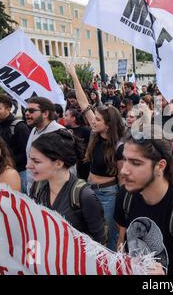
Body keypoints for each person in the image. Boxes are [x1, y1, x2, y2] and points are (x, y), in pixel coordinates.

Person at [114, 129, 173, 275]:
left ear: (160, 166)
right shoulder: (125, 196)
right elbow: (122, 238)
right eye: (125, 159)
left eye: (136, 163)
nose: (124, 170)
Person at [67, 64, 125, 251]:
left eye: (98, 120)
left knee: (107, 235)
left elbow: (123, 179)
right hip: (90, 190)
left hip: (108, 195)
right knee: (91, 233)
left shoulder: (119, 147)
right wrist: (74, 75)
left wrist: (123, 207)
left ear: (108, 125)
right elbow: (84, 104)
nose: (93, 121)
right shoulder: (96, 134)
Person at [28, 130, 106, 245]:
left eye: (36, 161)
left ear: (59, 164)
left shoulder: (83, 196)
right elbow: (33, 232)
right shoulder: (37, 187)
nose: (28, 165)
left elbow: (100, 244)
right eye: (30, 159)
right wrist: (32, 260)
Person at [0, 94, 31, 193]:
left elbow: (28, 153)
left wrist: (7, 162)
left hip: (21, 174)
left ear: (8, 109)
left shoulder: (19, 127)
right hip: (4, 172)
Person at [25, 97, 65, 192]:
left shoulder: (59, 133)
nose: (26, 113)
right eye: (26, 110)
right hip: (34, 190)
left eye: (31, 111)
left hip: (52, 192)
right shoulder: (34, 130)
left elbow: (68, 168)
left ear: (45, 114)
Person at [64, 108, 91, 180]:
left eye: (66, 115)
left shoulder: (85, 130)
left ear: (73, 118)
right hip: (70, 162)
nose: (64, 117)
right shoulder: (65, 129)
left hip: (82, 164)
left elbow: (90, 146)